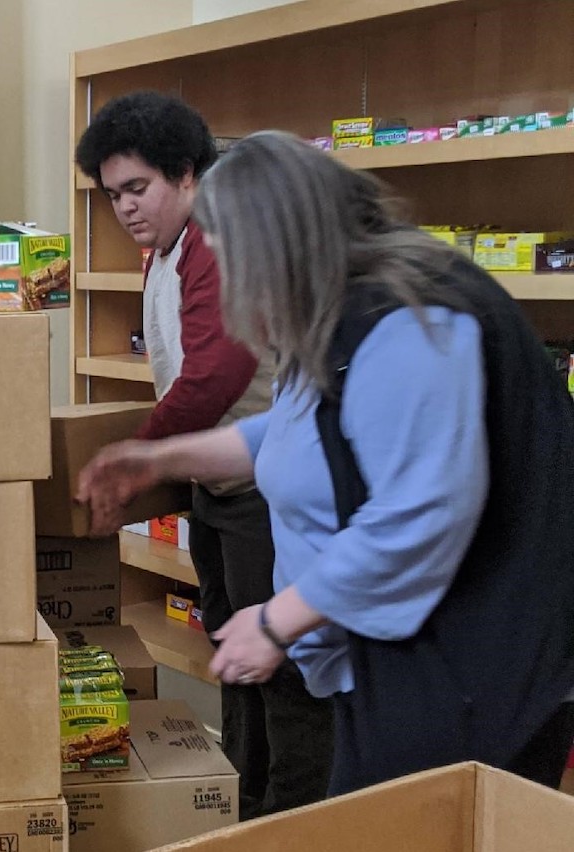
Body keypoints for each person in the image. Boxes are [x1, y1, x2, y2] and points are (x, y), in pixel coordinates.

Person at [77, 130, 574, 795]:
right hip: (392, 670)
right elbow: (302, 438)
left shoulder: (408, 321)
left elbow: (417, 519)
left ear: (277, 246)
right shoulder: (336, 309)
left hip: (468, 681)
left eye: (233, 261)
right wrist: (164, 457)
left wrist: (278, 620)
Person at [73, 92, 332, 817]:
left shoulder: (215, 235)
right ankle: (243, 794)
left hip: (260, 488)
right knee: (232, 648)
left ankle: (283, 812)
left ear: (187, 174)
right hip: (220, 483)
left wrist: (143, 454)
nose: (124, 208)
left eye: (137, 188)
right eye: (112, 193)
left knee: (275, 664)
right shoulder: (167, 245)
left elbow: (218, 371)